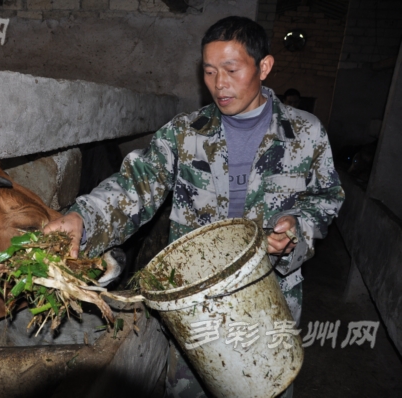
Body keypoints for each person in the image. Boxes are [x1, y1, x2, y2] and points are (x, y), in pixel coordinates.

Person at [44, 16, 344, 398]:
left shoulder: (306, 133)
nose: (220, 84)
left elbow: (327, 198)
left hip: (269, 299)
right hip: (192, 303)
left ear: (264, 67)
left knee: (266, 387)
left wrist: (297, 228)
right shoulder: (186, 132)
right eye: (209, 72)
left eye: (232, 70)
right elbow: (137, 185)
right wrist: (82, 219)